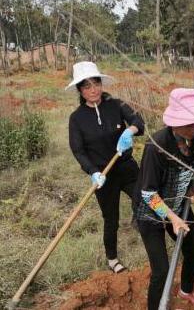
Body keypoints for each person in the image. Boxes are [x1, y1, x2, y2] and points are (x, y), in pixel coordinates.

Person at [133, 88, 194, 310]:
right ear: (175, 122)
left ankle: (186, 290)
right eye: (190, 123)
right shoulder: (156, 147)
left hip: (178, 201)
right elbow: (148, 193)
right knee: (161, 270)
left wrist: (193, 186)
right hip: (150, 209)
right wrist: (171, 217)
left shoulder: (193, 137)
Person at [67, 61, 145, 273]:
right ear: (80, 90)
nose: (93, 90)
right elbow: (78, 150)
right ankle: (112, 259)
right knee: (111, 219)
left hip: (126, 167)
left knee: (146, 199)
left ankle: (144, 222)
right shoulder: (77, 119)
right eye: (87, 86)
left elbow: (139, 121)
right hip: (103, 175)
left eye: (96, 83)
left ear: (101, 84)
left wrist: (131, 129)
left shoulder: (116, 105)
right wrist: (93, 172)